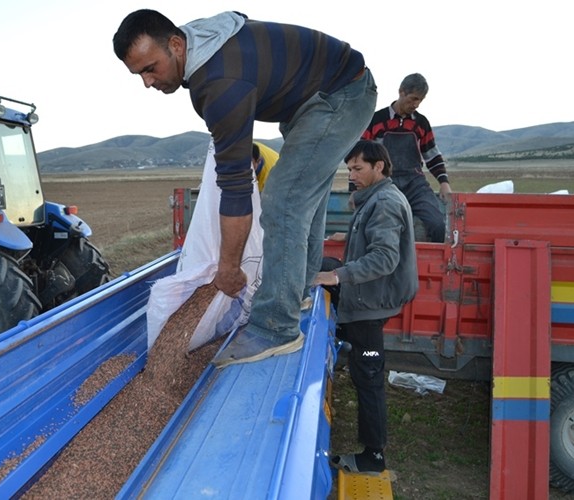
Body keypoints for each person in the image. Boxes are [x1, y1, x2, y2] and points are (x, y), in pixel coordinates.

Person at [113, 10, 377, 367]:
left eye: (150, 68)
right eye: (138, 74)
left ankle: (275, 328)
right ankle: (295, 292)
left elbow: (235, 188)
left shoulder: (221, 82)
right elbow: (237, 16)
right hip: (317, 98)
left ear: (176, 45)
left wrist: (229, 268)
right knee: (302, 194)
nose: (147, 82)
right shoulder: (200, 44)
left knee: (284, 200)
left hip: (339, 95)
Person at [314, 140, 418, 474]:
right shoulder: (374, 198)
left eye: (358, 168)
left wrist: (337, 275)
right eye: (349, 168)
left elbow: (385, 258)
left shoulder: (385, 202)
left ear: (380, 167)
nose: (352, 174)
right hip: (368, 296)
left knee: (368, 378)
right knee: (364, 373)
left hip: (370, 303)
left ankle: (373, 457)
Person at [358, 73, 450, 243]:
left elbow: (432, 155)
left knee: (438, 224)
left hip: (415, 184)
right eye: (413, 98)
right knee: (375, 227)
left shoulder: (421, 123)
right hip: (384, 184)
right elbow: (360, 158)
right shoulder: (376, 120)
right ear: (401, 92)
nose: (416, 104)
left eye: (420, 100)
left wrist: (444, 183)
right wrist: (355, 191)